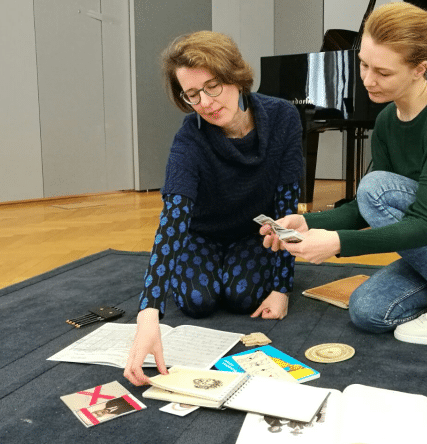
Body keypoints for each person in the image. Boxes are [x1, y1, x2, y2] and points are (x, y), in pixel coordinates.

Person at [261, 2, 427, 345]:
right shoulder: (388, 120)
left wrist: (337, 244)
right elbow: (365, 209)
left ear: (420, 69)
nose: (367, 79)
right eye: (363, 64)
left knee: (376, 187)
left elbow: (423, 223)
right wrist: (311, 224)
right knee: (368, 310)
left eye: (383, 72)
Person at [124, 31, 303, 385]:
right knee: (196, 301)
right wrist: (148, 315)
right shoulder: (189, 137)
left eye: (213, 86)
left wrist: (282, 289)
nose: (205, 102)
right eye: (192, 95)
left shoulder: (282, 118)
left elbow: (287, 207)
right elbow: (173, 219)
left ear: (235, 76)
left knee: (243, 296)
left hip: (251, 234)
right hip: (201, 234)